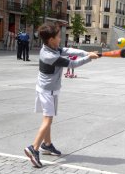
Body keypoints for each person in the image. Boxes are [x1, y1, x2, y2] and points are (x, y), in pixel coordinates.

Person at [24, 22, 99, 168]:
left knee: (48, 118)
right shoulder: (49, 55)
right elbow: (72, 65)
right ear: (51, 39)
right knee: (48, 120)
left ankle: (47, 144)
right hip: (48, 91)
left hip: (45, 88)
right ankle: (34, 148)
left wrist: (86, 53)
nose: (60, 39)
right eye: (58, 37)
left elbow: (67, 50)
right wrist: (89, 58)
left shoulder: (50, 48)